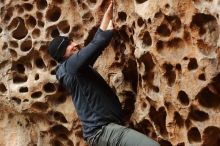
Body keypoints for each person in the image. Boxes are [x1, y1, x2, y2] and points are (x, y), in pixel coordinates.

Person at [48, 0, 160, 146]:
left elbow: (96, 47)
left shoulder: (75, 69)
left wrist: (107, 17)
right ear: (62, 54)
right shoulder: (71, 67)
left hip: (103, 132)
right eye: (69, 45)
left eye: (71, 41)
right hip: (103, 131)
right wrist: (109, 32)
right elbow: (98, 43)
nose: (74, 44)